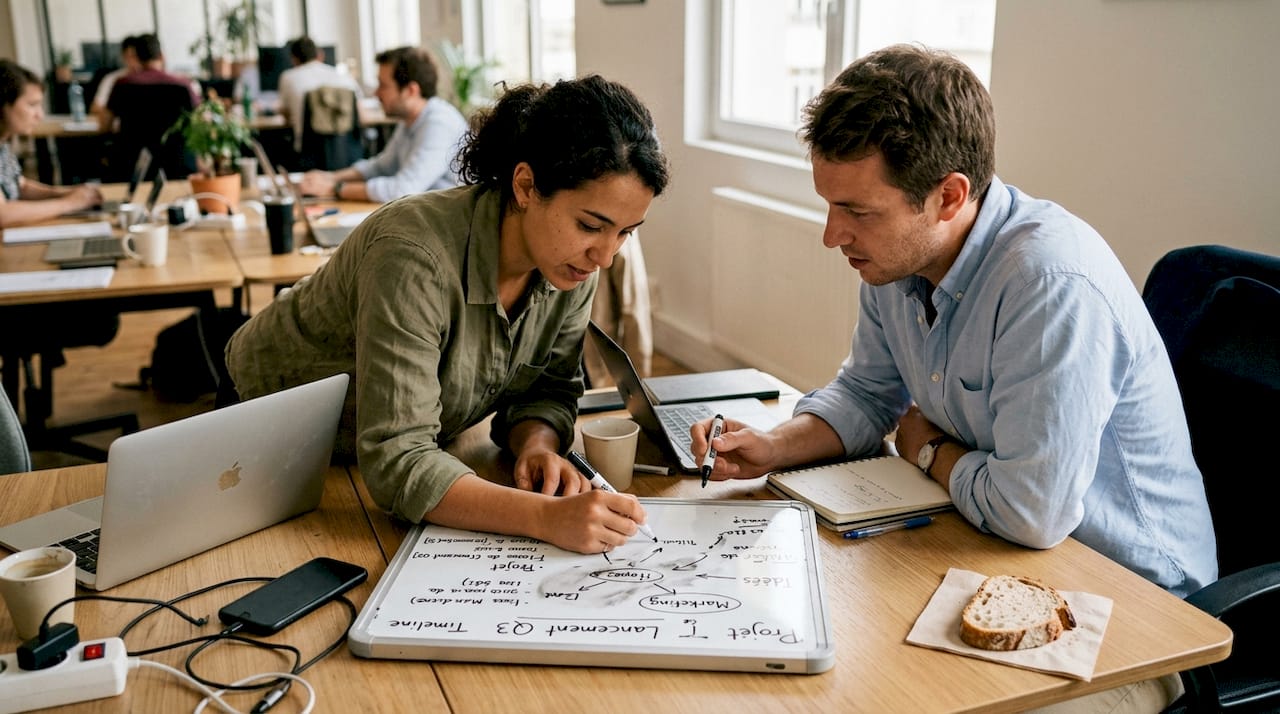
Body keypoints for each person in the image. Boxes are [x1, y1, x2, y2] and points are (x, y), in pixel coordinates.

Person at [692, 45, 1213, 712]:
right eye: (829, 205)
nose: (831, 235)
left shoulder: (1050, 285)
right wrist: (774, 445)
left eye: (858, 211)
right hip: (993, 556)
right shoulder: (894, 261)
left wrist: (927, 448)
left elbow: (1031, 513)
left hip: (1136, 611)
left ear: (949, 196)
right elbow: (869, 394)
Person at [225, 75, 669, 555]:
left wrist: (537, 446)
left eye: (625, 232)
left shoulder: (570, 265)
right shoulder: (412, 255)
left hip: (378, 454)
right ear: (525, 185)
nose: (605, 256)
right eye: (590, 225)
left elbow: (547, 389)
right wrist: (545, 517)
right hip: (262, 436)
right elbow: (399, 459)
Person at [299, 46, 467, 202]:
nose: (375, 93)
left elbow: (403, 189)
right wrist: (332, 177)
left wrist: (335, 188)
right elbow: (381, 166)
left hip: (447, 225)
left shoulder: (440, 124)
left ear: (410, 91)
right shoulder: (410, 119)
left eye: (383, 85)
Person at [0, 59, 102, 227]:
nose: (40, 115)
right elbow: (2, 214)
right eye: (32, 105)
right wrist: (70, 203)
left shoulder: (3, 143)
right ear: (2, 106)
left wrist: (65, 194)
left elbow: (21, 186)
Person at [277, 35, 361, 154]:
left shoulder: (288, 77)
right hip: (346, 151)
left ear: (294, 59)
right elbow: (361, 114)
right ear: (320, 55)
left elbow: (285, 113)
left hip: (308, 153)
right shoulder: (343, 76)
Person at [89, 35, 140, 126]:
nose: (134, 61)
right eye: (130, 56)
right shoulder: (113, 79)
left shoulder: (151, 80)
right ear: (123, 57)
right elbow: (95, 108)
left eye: (137, 56)